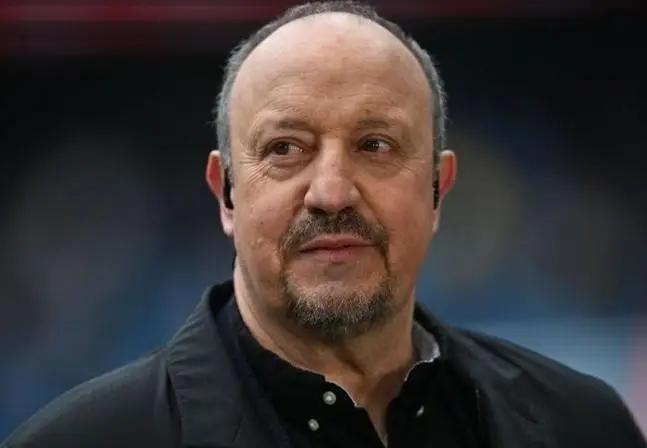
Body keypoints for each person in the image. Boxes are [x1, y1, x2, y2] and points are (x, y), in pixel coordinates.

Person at [3, 2, 645, 447]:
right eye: (285, 148)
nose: (332, 192)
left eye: (376, 145)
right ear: (226, 193)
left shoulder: (582, 427)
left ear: (438, 189)